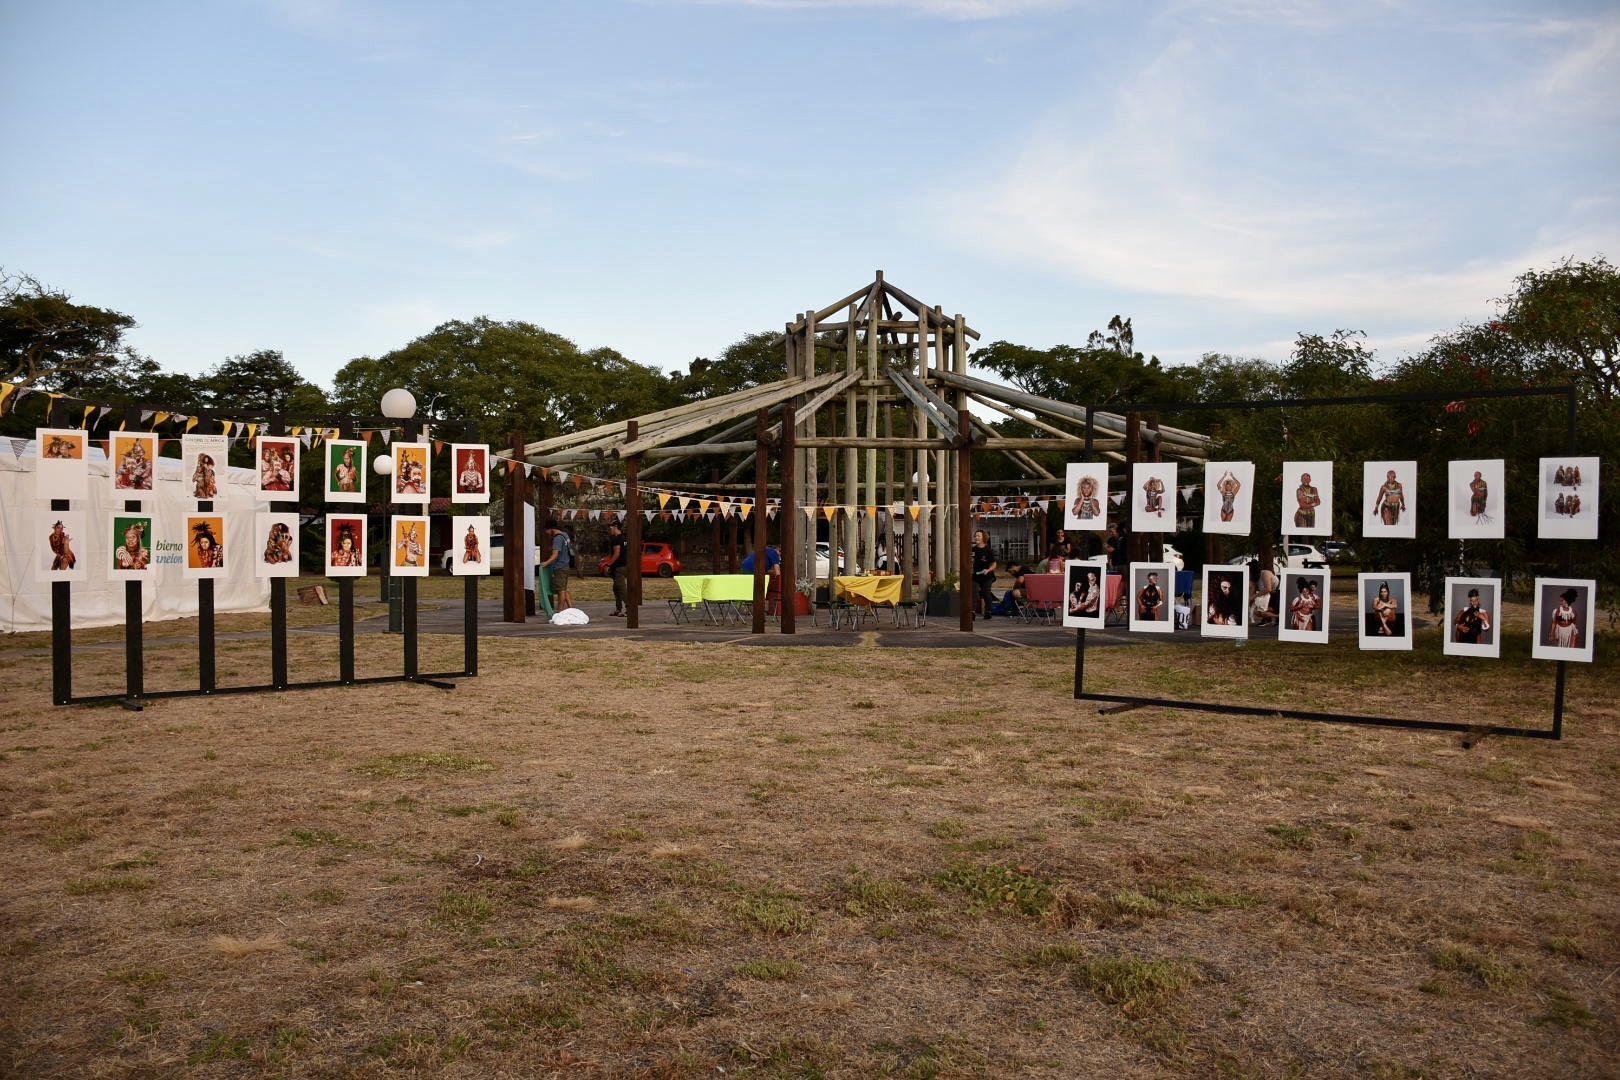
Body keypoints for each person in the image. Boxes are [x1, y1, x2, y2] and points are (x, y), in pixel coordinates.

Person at [541, 519, 574, 611]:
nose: (546, 532)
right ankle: (571, 609)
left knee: (561, 591)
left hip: (559, 567)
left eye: (547, 530)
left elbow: (555, 554)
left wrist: (546, 563)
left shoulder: (557, 538)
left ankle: (560, 611)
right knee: (564, 588)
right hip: (566, 565)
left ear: (551, 529)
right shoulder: (565, 535)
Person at [970, 529, 999, 619]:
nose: (976, 538)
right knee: (974, 593)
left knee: (986, 593)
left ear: (983, 538)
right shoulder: (972, 549)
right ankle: (972, 612)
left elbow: (994, 564)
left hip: (987, 576)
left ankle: (988, 611)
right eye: (975, 536)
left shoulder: (988, 550)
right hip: (975, 576)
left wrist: (988, 570)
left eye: (978, 536)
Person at [605, 520, 628, 616]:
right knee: (616, 588)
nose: (610, 528)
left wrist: (608, 565)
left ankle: (629, 609)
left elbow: (616, 554)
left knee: (621, 588)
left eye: (611, 526)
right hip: (625, 566)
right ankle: (618, 608)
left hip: (619, 568)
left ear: (616, 527)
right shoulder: (624, 538)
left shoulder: (617, 539)